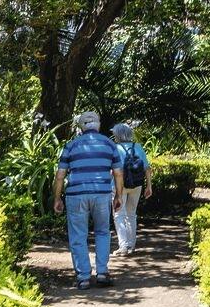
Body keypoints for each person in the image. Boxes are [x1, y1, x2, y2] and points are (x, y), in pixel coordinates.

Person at [54, 110, 120, 289]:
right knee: (103, 232)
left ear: (80, 127)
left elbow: (60, 175)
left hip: (76, 195)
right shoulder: (109, 144)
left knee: (78, 235)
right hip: (101, 194)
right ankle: (102, 273)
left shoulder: (71, 146)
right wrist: (119, 195)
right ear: (98, 125)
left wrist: (57, 198)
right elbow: (118, 172)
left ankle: (83, 277)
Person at [110, 122, 152, 255]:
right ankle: (131, 245)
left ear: (118, 135)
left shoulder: (115, 148)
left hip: (119, 186)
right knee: (131, 214)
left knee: (118, 214)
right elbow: (147, 168)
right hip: (137, 185)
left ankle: (123, 246)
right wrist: (149, 186)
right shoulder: (138, 147)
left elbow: (113, 170)